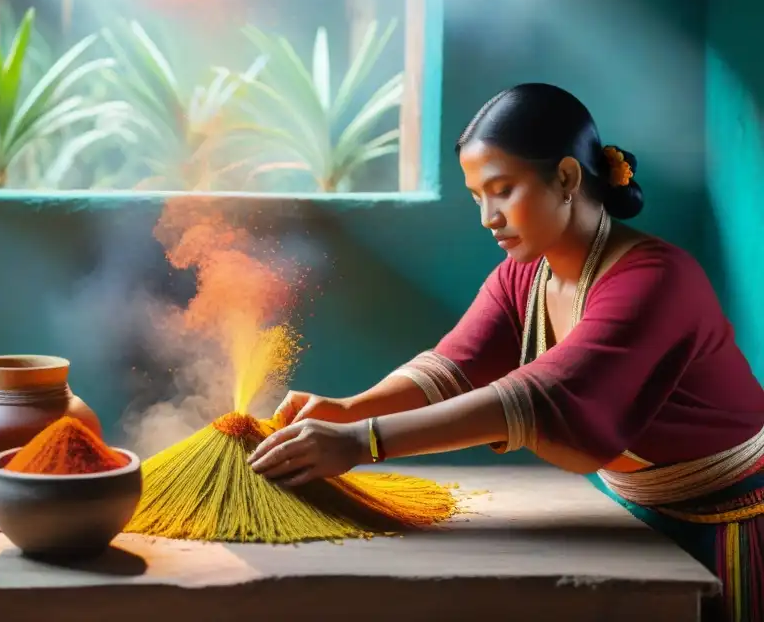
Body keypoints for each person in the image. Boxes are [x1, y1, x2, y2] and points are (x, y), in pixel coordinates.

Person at [247, 83, 764, 622]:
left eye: (503, 190)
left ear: (566, 178)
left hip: (732, 522)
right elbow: (450, 368)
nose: (487, 217)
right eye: (477, 198)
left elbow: (541, 398)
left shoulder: (657, 280)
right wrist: (351, 408)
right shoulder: (523, 275)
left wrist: (361, 441)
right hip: (635, 517)